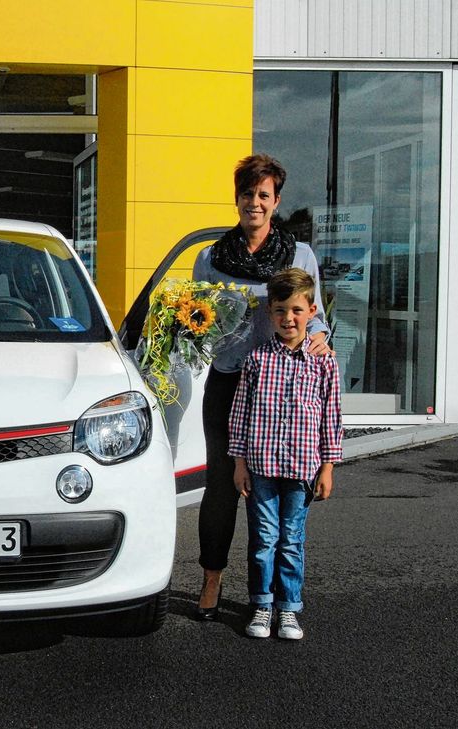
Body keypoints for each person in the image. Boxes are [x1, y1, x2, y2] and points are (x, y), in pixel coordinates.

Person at [191, 154, 330, 620]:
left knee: (270, 487)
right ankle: (212, 577)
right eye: (248, 193)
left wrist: (320, 339)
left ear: (276, 201)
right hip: (229, 382)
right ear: (237, 199)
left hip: (280, 388)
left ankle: (268, 595)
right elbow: (197, 319)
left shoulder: (299, 255)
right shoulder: (210, 258)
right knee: (221, 485)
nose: (255, 202)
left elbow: (316, 318)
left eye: (264, 195)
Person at [228, 268, 342, 639]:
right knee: (264, 539)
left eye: (296, 310)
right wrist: (240, 464)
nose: (288, 318)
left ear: (311, 311)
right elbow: (240, 415)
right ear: (270, 313)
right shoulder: (257, 360)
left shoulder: (324, 363)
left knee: (292, 541)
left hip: (302, 468)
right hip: (260, 466)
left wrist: (328, 467)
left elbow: (331, 418)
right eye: (280, 310)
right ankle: (262, 605)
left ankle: (288, 608)